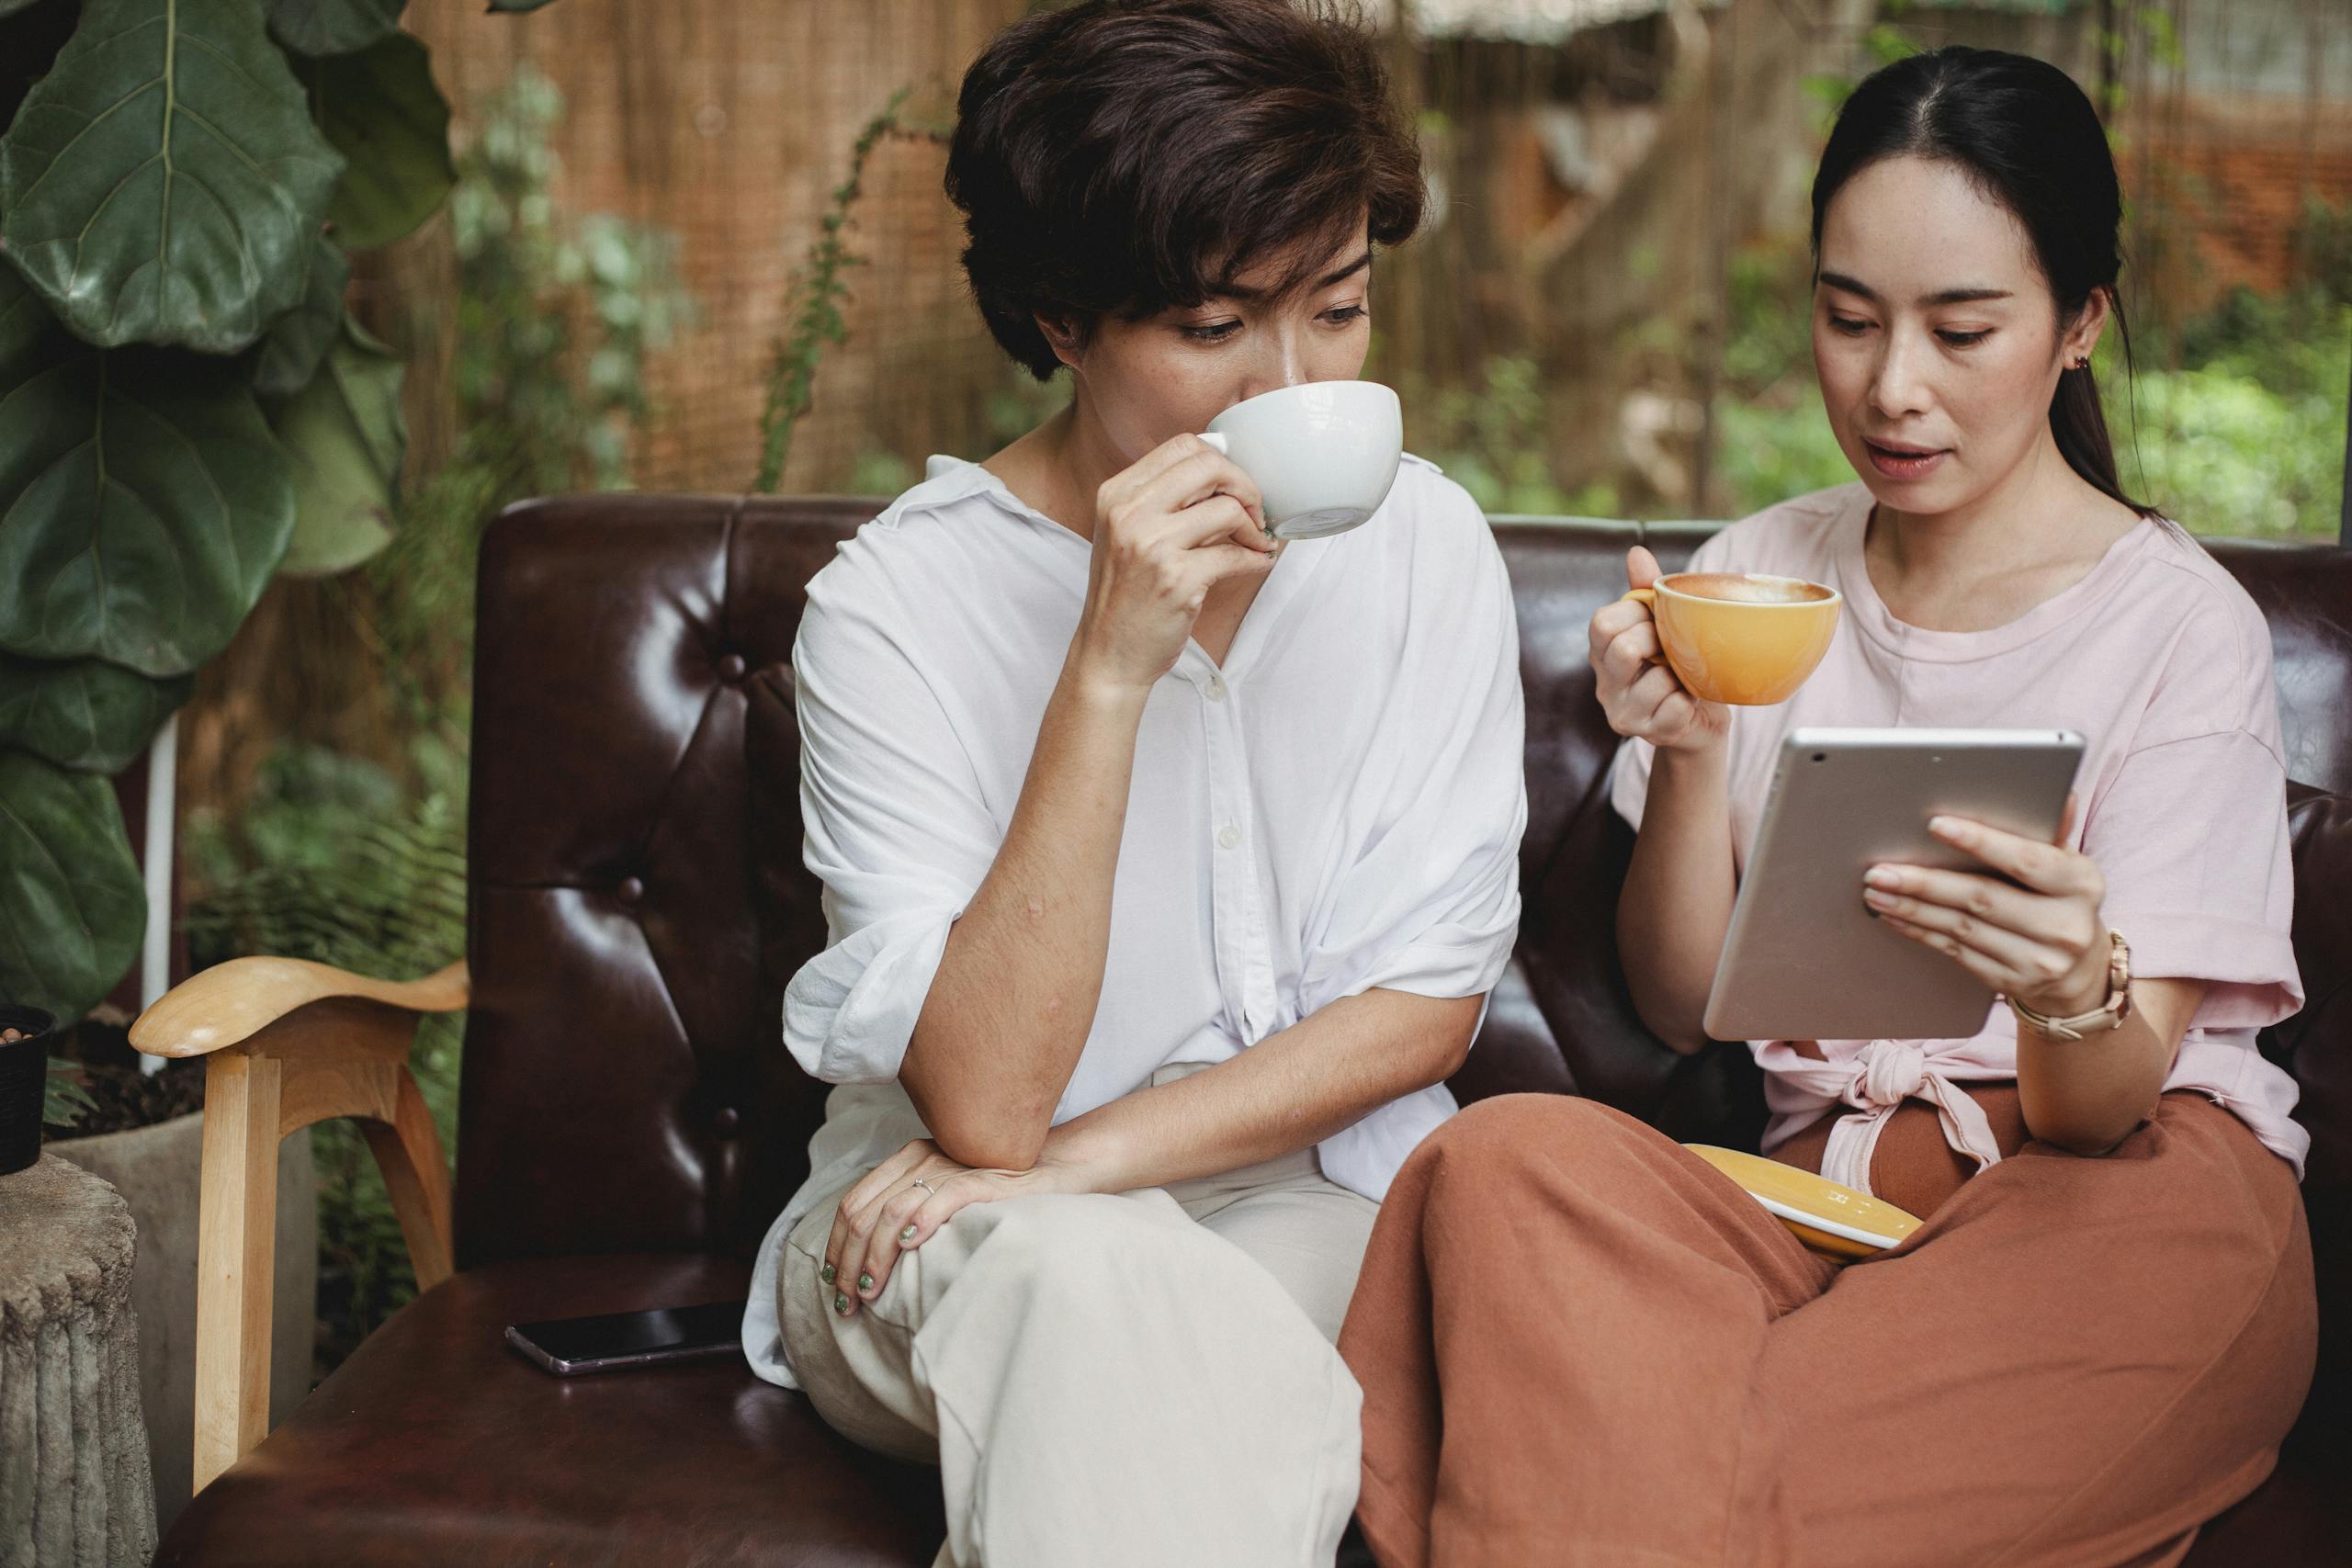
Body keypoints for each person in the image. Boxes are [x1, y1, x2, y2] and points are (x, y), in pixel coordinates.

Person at [1340, 46, 2316, 1568]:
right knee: (1503, 1164)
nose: (1888, 385)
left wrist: (2070, 994)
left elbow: (2104, 1105)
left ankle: (1622, 1480)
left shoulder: (2182, 628)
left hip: (2105, 1200)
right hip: (1805, 1216)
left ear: (2080, 325)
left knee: (2150, 1251)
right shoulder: (1765, 570)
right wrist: (1683, 750)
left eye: (1961, 327)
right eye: (1847, 317)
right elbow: (1682, 1008)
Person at [737, 3, 1527, 1564]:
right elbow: (985, 1109)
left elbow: (1421, 1008)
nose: (1287, 386)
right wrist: (1108, 669)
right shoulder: (894, 610)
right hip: (937, 1232)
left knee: (1194, 1351)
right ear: (1061, 323)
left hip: (1292, 1211)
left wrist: (1087, 1165)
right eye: (1217, 327)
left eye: (1341, 309)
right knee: (1092, 1295)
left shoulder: (1427, 551)